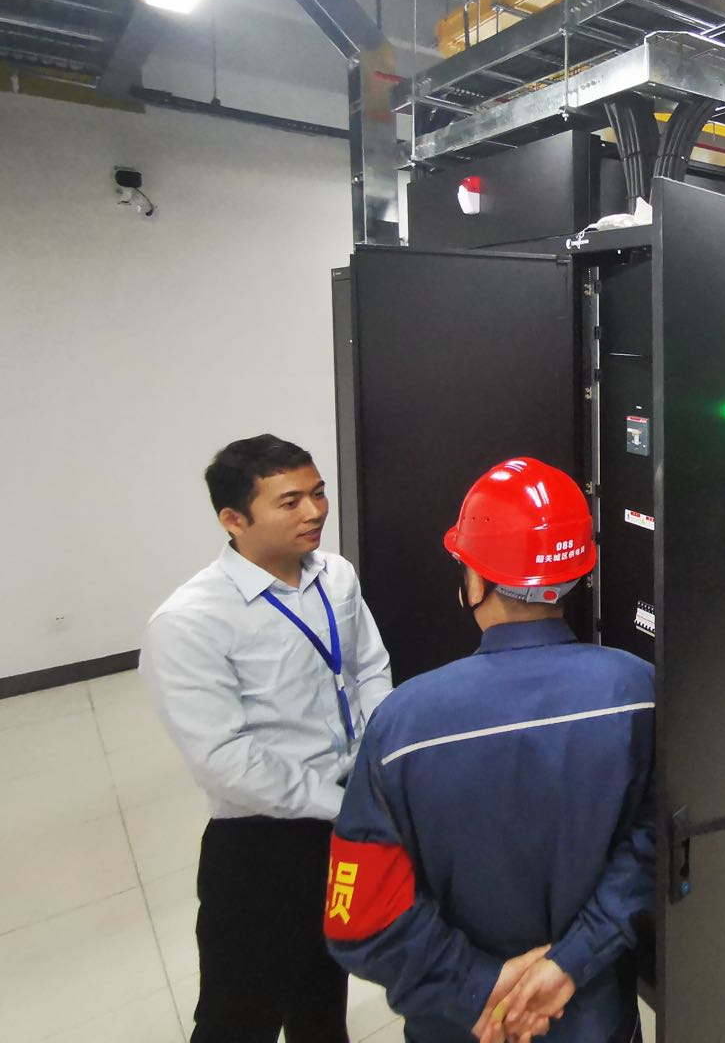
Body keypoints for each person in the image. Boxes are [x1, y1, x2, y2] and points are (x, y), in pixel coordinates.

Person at [325, 456, 656, 1043]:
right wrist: (568, 963)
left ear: (474, 581)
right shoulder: (638, 690)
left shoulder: (401, 725)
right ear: (577, 575)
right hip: (594, 1017)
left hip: (464, 1026)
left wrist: (481, 985)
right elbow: (655, 847)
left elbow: (360, 920)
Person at [141, 434, 393, 1041]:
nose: (315, 512)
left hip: (348, 812)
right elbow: (224, 760)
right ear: (234, 520)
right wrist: (342, 805)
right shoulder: (190, 621)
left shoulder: (336, 575)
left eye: (317, 493)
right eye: (289, 502)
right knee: (238, 1011)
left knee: (323, 978)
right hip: (262, 839)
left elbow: (368, 668)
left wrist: (376, 768)